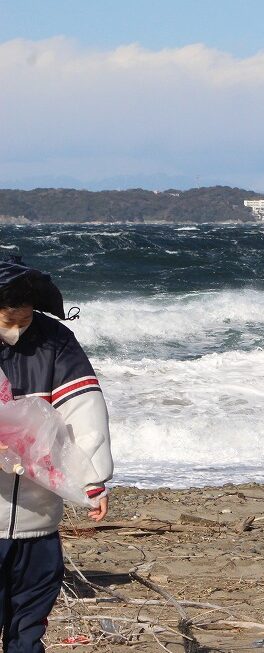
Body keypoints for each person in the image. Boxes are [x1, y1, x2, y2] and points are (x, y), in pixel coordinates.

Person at [0, 258, 113, 653]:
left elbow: (85, 411)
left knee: (30, 622)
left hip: (38, 521)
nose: (17, 329)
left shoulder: (55, 341)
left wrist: (92, 480)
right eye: (8, 319)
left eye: (25, 319)